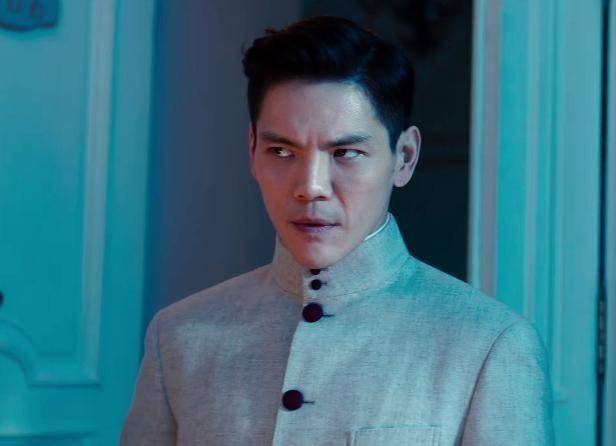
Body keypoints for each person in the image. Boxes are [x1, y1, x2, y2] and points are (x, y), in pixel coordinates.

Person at [120, 16, 555, 445]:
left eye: (345, 153)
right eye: (281, 151)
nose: (311, 187)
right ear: (252, 150)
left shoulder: (489, 345)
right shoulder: (179, 337)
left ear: (404, 157)